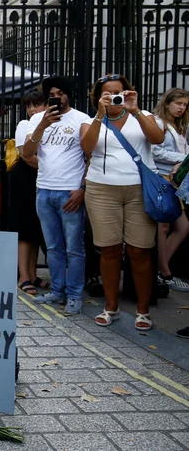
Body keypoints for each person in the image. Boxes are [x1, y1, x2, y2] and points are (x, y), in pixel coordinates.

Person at [80, 74, 165, 331]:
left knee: (140, 250)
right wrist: (99, 114)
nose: (116, 97)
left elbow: (157, 139)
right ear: (98, 97)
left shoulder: (145, 116)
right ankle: (111, 306)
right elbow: (87, 146)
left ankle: (143, 310)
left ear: (129, 92)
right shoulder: (90, 120)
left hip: (140, 190)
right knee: (109, 249)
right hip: (102, 190)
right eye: (108, 93)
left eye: (120, 92)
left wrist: (135, 110)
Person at [22, 76, 90, 315]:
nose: (56, 97)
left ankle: (74, 294)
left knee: (74, 248)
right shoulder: (37, 119)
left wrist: (82, 189)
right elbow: (28, 152)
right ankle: (58, 290)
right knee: (53, 247)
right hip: (44, 190)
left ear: (67, 95)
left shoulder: (82, 119)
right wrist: (43, 125)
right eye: (52, 94)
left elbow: (91, 157)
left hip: (69, 192)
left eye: (61, 93)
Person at [9, 90, 48, 295]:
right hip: (25, 180)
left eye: (37, 104)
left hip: (42, 180)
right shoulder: (24, 125)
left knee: (35, 230)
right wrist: (52, 166)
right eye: (29, 106)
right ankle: (23, 276)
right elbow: (27, 156)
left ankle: (33, 274)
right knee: (24, 231)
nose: (33, 109)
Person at [151, 88, 189, 292]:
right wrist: (183, 160)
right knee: (163, 227)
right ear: (167, 103)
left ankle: (160, 269)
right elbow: (154, 151)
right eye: (178, 103)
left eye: (185, 104)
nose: (182, 108)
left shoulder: (180, 125)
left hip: (175, 182)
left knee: (182, 227)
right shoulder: (157, 123)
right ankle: (164, 273)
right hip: (161, 178)